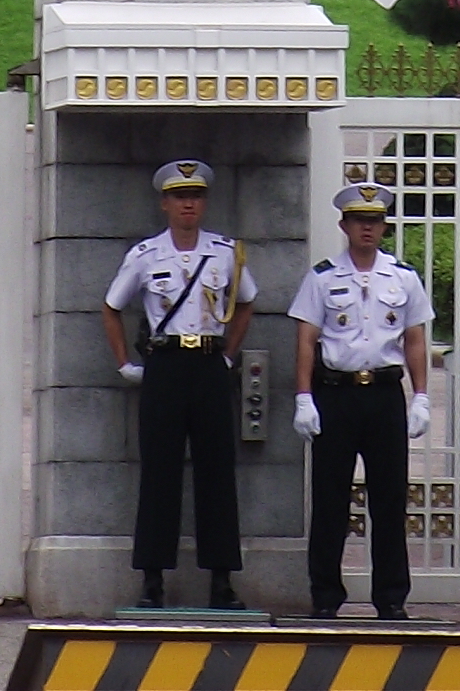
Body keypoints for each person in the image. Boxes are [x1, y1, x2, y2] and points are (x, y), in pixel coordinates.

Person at [102, 158, 256, 610]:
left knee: (217, 472)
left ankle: (222, 580)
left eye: (196, 196)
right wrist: (125, 364)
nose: (189, 204)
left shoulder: (226, 252)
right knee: (159, 472)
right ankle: (152, 579)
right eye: (180, 196)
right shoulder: (146, 256)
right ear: (165, 203)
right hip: (165, 366)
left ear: (204, 202)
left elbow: (246, 303)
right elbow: (112, 307)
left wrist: (228, 355)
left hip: (209, 364)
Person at [288, 179, 433, 620]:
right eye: (358, 221)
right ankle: (326, 596)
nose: (367, 228)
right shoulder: (323, 277)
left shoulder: (403, 277)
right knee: (330, 498)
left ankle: (391, 597)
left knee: (389, 500)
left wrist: (422, 395)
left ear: (384, 227)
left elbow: (414, 340)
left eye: (374, 221)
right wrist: (303, 396)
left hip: (385, 394)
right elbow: (307, 341)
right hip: (336, 394)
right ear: (344, 225)